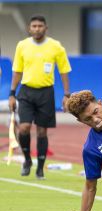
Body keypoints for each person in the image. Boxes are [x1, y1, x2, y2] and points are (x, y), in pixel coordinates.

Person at [8, 15, 71, 179]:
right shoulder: (22, 46)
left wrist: (66, 95)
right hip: (26, 91)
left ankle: (40, 168)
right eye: (34, 26)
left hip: (46, 92)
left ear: (46, 28)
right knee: (24, 128)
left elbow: (64, 71)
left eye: (40, 26)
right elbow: (17, 71)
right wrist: (12, 94)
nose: (37, 29)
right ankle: (27, 160)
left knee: (42, 132)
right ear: (29, 28)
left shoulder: (55, 47)